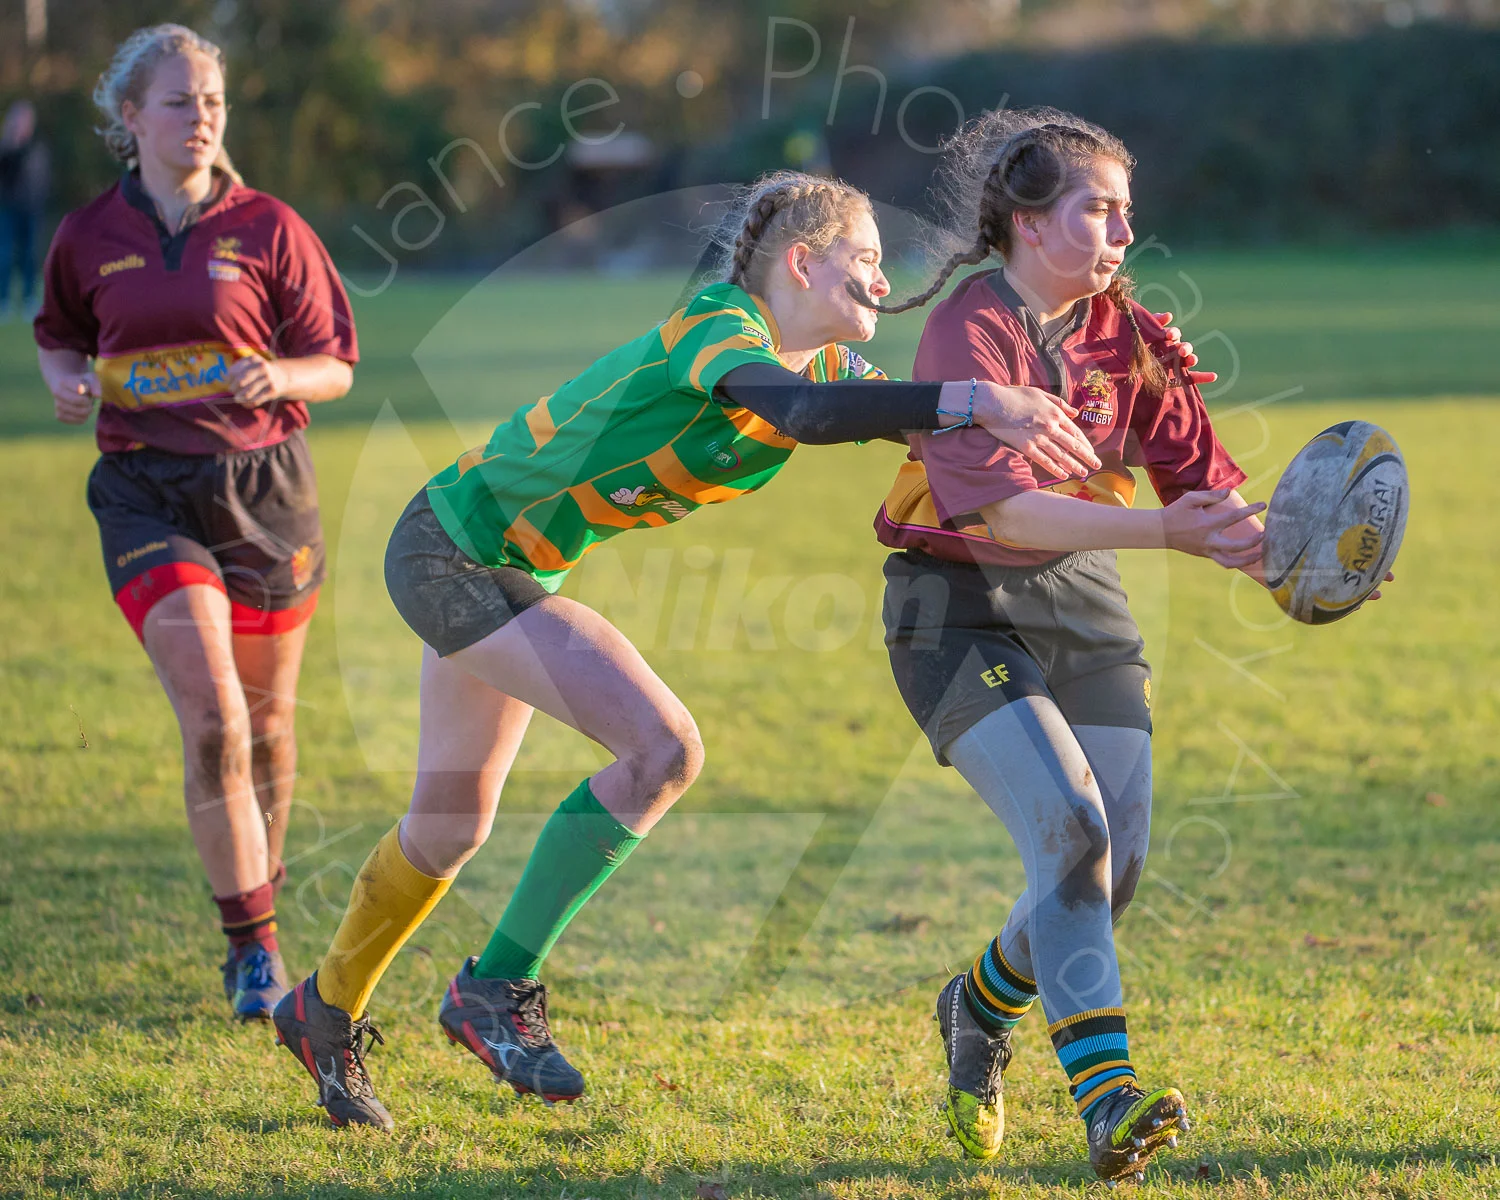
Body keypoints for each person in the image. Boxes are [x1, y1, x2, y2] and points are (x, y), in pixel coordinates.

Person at [270, 170, 1118, 1131]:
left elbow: (923, 427)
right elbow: (806, 417)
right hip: (453, 550)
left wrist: (1068, 425)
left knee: (449, 827)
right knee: (663, 750)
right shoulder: (721, 326)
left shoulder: (826, 372)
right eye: (867, 261)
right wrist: (972, 398)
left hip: (507, 564)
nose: (884, 281)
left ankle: (322, 1011)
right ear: (800, 263)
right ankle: (495, 988)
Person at [863, 108, 1269, 1182]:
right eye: (1099, 209)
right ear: (1029, 222)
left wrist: (1302, 560)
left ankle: (978, 1004)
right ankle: (1110, 1101)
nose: (1122, 234)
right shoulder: (970, 326)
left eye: (1127, 213)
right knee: (1074, 830)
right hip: (955, 603)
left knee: (1111, 865)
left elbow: (1207, 492)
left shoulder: (1130, 337)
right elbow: (1007, 521)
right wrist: (1165, 531)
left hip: (1083, 601)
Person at [32, 25, 357, 1020]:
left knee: (267, 730)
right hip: (146, 493)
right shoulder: (88, 234)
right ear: (130, 120)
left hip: (265, 493)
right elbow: (58, 335)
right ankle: (253, 949)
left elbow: (335, 362)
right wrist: (68, 385)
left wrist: (281, 373)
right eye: (180, 102)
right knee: (214, 718)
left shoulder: (269, 227)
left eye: (212, 101)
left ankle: (259, 887)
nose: (202, 118)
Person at [0, 99, 49, 320]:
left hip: (32, 209)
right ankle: (4, 300)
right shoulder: (6, 147)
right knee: (5, 254)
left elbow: (42, 178)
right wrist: (13, 143)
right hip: (8, 208)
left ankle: (30, 298)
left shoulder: (37, 147)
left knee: (30, 254)